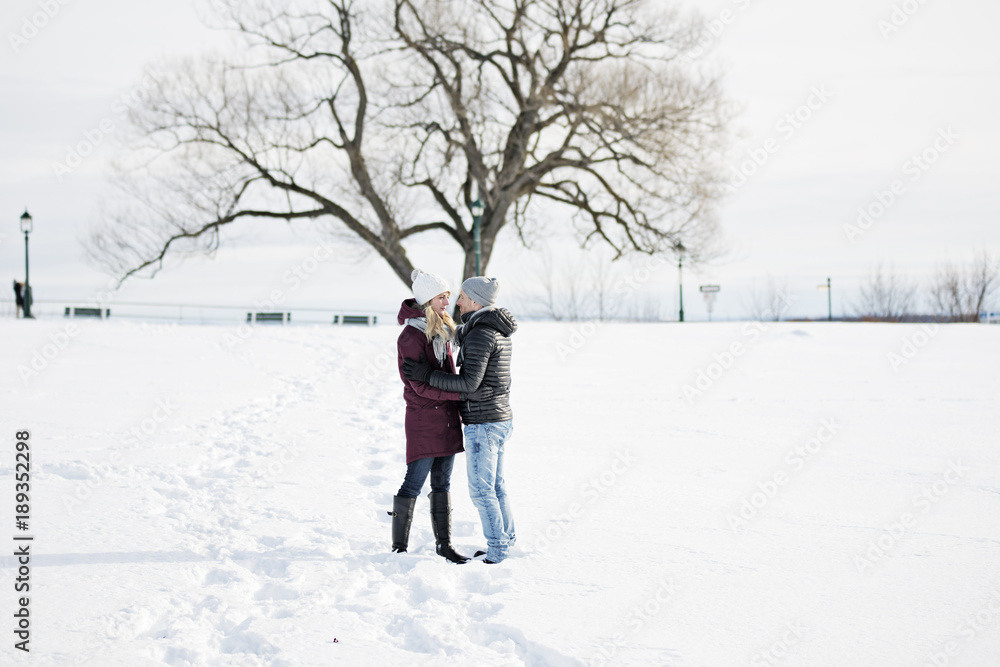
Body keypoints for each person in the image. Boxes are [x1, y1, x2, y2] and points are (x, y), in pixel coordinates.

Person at [403, 276, 517, 564]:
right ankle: (506, 541)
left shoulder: (482, 333)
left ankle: (497, 550)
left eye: (463, 296)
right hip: (498, 418)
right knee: (497, 486)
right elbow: (460, 334)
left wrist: (426, 375)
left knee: (482, 491)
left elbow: (468, 384)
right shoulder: (490, 327)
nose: (458, 301)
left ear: (476, 301)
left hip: (484, 422)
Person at [389, 269, 469, 564]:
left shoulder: (443, 330)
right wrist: (459, 392)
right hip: (424, 420)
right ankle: (399, 548)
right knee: (414, 482)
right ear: (427, 301)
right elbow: (418, 386)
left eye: (448, 295)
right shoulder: (411, 336)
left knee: (442, 484)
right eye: (442, 297)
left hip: (447, 420)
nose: (447, 301)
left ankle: (444, 545)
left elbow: (444, 375)